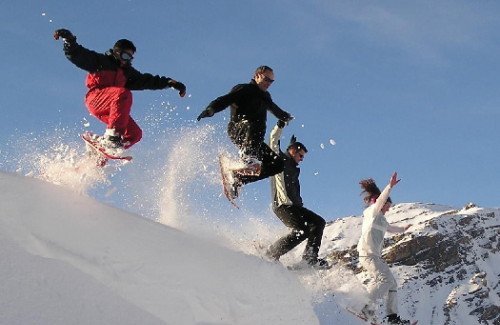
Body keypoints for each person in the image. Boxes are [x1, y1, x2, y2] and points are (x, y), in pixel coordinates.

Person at [53, 28, 186, 155]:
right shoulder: (100, 61)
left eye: (130, 58)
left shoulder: (127, 73)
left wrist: (170, 83)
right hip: (96, 98)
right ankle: (112, 138)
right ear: (117, 52)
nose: (126, 60)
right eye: (124, 55)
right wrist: (69, 40)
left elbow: (147, 80)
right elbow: (78, 54)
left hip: (113, 109)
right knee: (123, 93)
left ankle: (99, 156)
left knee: (134, 134)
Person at [196, 65, 293, 198]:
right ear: (257, 75)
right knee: (255, 121)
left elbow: (273, 108)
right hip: (239, 130)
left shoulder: (265, 96)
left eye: (271, 81)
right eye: (266, 79)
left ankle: (237, 178)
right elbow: (225, 100)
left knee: (277, 164)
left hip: (254, 139)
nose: (268, 83)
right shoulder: (244, 89)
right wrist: (211, 109)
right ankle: (247, 156)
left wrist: (284, 116)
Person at [265, 121, 329, 269]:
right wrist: (280, 125)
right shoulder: (279, 161)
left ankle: (309, 258)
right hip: (282, 205)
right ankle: (270, 253)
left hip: (294, 207)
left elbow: (294, 190)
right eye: (300, 155)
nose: (302, 159)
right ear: (293, 151)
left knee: (319, 222)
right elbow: (273, 141)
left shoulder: (294, 168)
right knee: (302, 230)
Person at [357, 172, 412, 325]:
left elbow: (391, 228)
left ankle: (393, 318)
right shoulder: (373, 212)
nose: (388, 209)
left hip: (374, 256)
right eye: (387, 206)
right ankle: (367, 309)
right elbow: (381, 199)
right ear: (381, 204)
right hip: (367, 254)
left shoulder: (381, 219)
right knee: (385, 279)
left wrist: (403, 229)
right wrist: (390, 186)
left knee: (392, 283)